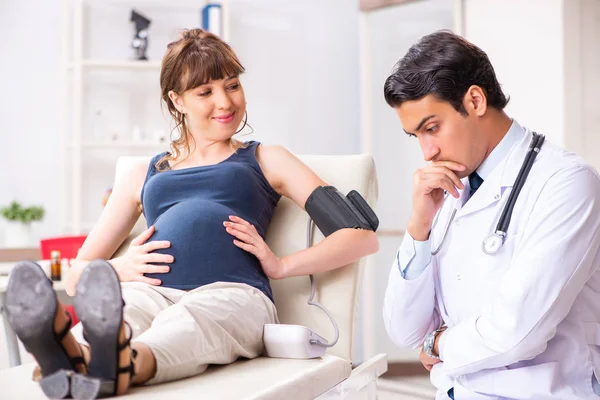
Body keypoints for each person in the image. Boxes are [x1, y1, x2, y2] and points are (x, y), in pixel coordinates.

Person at [5, 28, 379, 399]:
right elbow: (75, 277)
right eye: (205, 92)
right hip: (149, 292)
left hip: (232, 294)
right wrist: (118, 269)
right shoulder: (143, 174)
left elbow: (360, 236)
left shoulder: (266, 158)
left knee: (189, 323)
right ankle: (76, 356)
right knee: (125, 311)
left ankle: (117, 364)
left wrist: (281, 266)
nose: (225, 102)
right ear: (177, 100)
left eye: (232, 85)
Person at [382, 30, 600, 400]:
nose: (427, 152)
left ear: (475, 100)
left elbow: (516, 334)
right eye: (415, 136)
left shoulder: (566, 183)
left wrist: (437, 343)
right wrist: (419, 226)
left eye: (432, 128)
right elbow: (403, 330)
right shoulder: (449, 189)